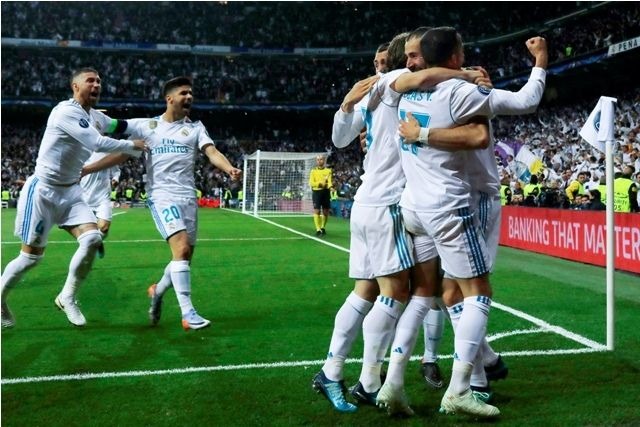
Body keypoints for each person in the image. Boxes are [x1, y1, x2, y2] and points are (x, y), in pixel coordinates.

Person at [313, 31, 484, 415]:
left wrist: (345, 105)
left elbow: (340, 139)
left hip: (368, 201)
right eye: (410, 55)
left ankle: (335, 371)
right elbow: (421, 79)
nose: (414, 61)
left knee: (366, 291)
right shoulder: (394, 85)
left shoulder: (377, 94)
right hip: (388, 202)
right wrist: (465, 75)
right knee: (398, 293)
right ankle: (369, 380)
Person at [392, 28, 548, 417]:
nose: (409, 62)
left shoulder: (404, 91)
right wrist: (541, 60)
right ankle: (467, 384)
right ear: (457, 56)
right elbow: (521, 105)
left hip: (414, 206)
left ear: (422, 60)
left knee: (445, 293)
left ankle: (473, 371)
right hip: (463, 200)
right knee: (473, 291)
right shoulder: (460, 91)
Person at [84, 76, 242, 331]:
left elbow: (212, 152)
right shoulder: (147, 126)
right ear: (170, 99)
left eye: (191, 93)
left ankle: (157, 291)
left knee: (185, 257)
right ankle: (188, 313)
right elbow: (116, 133)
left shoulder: (196, 128)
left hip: (188, 198)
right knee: (180, 249)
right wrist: (87, 164)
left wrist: (229, 168)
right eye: (184, 93)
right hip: (161, 196)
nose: (189, 97)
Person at [0, 67, 145, 329]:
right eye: (90, 80)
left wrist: (152, 124)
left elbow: (119, 125)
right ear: (75, 87)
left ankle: (67, 296)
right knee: (30, 259)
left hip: (71, 191)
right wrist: (132, 145)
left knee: (92, 239)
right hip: (43, 191)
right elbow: (97, 143)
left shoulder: (95, 117)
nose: (97, 84)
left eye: (99, 80)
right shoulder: (66, 111)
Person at [80, 151, 123, 259]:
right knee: (88, 232)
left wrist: (115, 179)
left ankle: (97, 242)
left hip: (102, 197)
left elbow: (116, 171)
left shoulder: (107, 153)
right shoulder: (81, 152)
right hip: (84, 197)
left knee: (104, 228)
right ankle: (98, 243)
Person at [309, 155, 333, 236]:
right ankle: (318, 229)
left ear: (324, 160)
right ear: (316, 161)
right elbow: (311, 183)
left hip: (326, 192)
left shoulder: (328, 171)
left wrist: (330, 187)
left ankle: (323, 227)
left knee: (326, 212)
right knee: (317, 211)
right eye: (318, 160)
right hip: (317, 192)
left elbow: (329, 182)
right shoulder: (313, 171)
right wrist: (319, 184)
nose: (319, 161)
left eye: (321, 159)